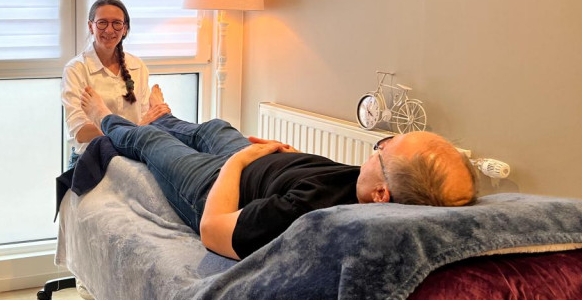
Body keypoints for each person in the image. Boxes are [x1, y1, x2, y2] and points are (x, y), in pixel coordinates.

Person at [80, 88, 478, 260]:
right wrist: (287, 158)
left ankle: (106, 117)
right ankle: (163, 116)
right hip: (256, 162)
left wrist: (238, 163)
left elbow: (213, 230)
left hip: (217, 184)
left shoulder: (308, 216)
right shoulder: (369, 192)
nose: (376, 149)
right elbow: (322, 179)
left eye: (383, 149)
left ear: (381, 195)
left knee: (149, 140)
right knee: (215, 127)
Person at [62, 0, 170, 164]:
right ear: (91, 27)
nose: (109, 30)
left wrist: (148, 121)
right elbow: (81, 133)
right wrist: (138, 127)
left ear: (124, 29)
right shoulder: (76, 69)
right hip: (92, 157)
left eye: (116, 23)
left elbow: (145, 118)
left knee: (174, 131)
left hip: (131, 154)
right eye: (102, 23)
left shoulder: (137, 66)